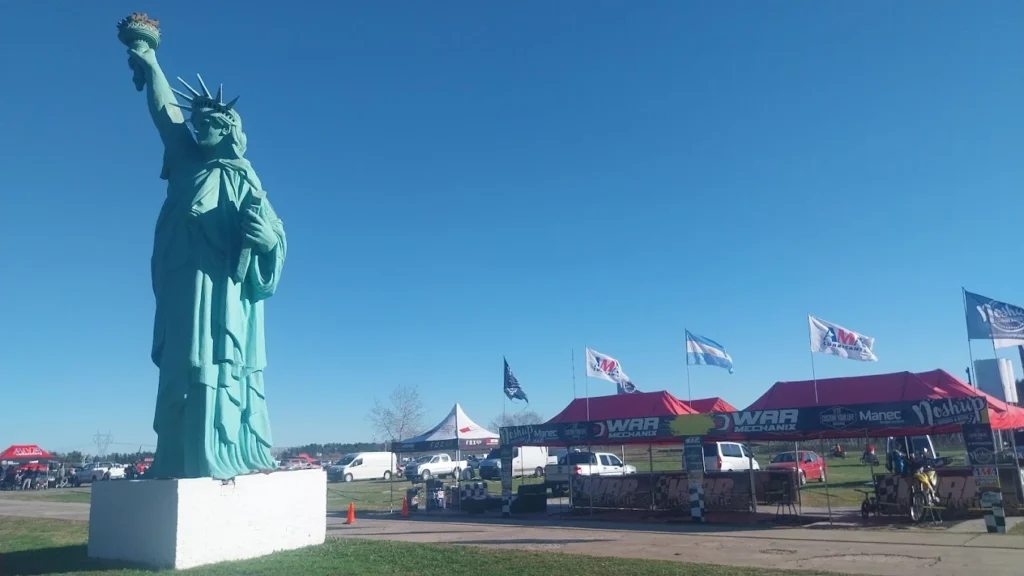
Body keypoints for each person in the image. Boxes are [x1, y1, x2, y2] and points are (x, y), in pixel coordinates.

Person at [126, 45, 286, 480]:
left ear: (229, 129)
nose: (199, 130)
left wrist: (269, 240)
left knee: (219, 360)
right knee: (183, 362)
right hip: (181, 279)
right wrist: (149, 60)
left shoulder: (244, 176)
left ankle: (222, 449)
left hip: (223, 288)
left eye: (209, 124)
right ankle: (181, 454)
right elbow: (166, 115)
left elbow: (273, 234)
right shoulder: (185, 160)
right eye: (196, 124)